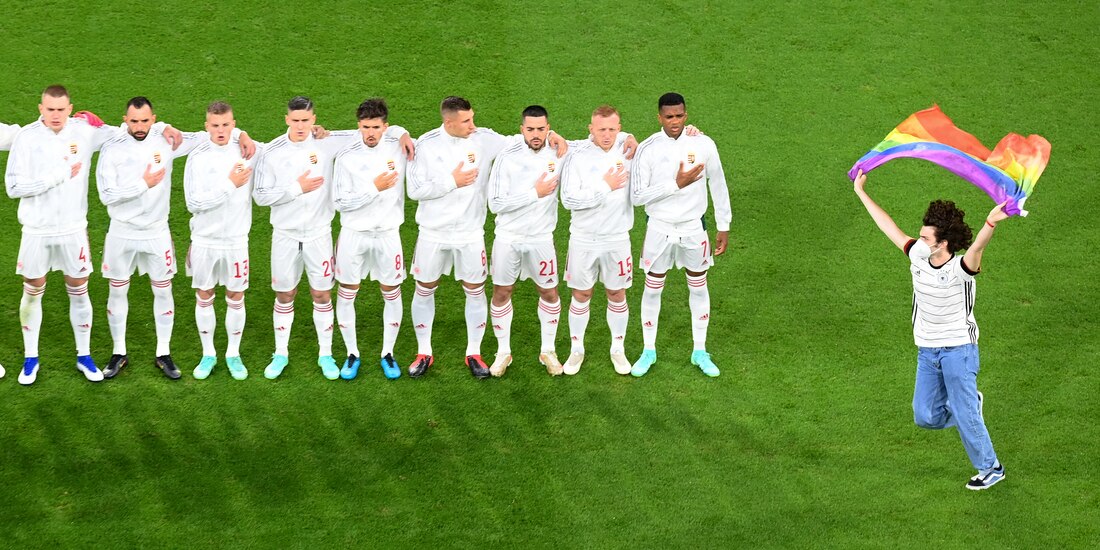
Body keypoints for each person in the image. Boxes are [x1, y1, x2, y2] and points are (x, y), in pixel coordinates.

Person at [4, 85, 181, 385]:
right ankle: (30, 358)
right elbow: (13, 188)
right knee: (32, 290)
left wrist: (162, 126)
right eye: (50, 110)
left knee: (79, 289)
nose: (56, 115)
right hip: (36, 229)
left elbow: (130, 129)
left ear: (71, 108)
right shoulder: (26, 138)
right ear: (40, 108)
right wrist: (56, 177)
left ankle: (84, 357)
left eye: (61, 110)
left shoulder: (86, 131)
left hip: (73, 229)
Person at [853, 169, 1008, 490]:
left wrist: (990, 222)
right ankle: (969, 407)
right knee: (925, 416)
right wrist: (861, 193)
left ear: (944, 243)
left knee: (965, 415)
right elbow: (888, 226)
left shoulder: (961, 268)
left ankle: (991, 467)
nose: (919, 240)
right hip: (927, 350)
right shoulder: (919, 255)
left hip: (959, 351)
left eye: (926, 237)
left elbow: (978, 247)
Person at [406, 96, 567, 379]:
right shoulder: (425, 145)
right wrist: (451, 181)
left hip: (470, 233)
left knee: (475, 289)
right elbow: (415, 190)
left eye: (473, 118)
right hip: (433, 233)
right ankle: (424, 352)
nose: (473, 125)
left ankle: (474, 352)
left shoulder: (483, 139)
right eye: (467, 121)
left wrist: (551, 134)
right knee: (425, 287)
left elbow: (521, 138)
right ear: (449, 122)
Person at [95, 96, 256, 379]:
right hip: (121, 231)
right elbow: (106, 195)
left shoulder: (167, 140)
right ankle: (118, 352)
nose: (140, 126)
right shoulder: (112, 148)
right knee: (117, 290)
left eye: (145, 120)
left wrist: (242, 133)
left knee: (163, 289)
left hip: (157, 231)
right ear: (125, 119)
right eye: (134, 121)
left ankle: (163, 353)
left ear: (154, 118)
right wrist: (142, 184)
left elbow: (211, 134)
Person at [253, 96, 411, 380]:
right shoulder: (273, 150)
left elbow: (387, 131)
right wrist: (295, 188)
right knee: (285, 294)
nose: (301, 126)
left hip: (321, 234)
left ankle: (331, 354)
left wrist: (402, 132)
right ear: (286, 119)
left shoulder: (331, 141)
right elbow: (260, 195)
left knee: (324, 294)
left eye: (306, 120)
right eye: (296, 120)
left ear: (314, 120)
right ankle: (281, 353)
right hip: (286, 235)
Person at [629, 92, 731, 378]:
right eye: (669, 117)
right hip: (659, 228)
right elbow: (637, 197)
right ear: (659, 117)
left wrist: (724, 225)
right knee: (653, 288)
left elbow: (719, 183)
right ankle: (648, 351)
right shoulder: (647, 149)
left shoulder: (704, 143)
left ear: (686, 114)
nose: (675, 122)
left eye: (680, 116)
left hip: (692, 228)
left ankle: (700, 351)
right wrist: (676, 184)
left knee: (698, 286)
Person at [331, 98, 412, 380]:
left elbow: (405, 134)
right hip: (354, 235)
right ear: (358, 126)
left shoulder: (398, 147)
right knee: (347, 291)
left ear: (385, 126)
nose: (370, 133)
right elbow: (339, 201)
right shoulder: (347, 156)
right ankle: (352, 353)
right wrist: (373, 188)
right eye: (365, 127)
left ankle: (387, 353)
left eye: (376, 127)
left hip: (388, 234)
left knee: (391, 290)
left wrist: (402, 133)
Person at [485, 105, 566, 377]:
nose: (535, 134)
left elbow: (597, 140)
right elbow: (495, 203)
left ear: (548, 127)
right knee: (502, 292)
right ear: (521, 129)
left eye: (541, 129)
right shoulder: (506, 157)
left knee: (550, 292)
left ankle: (548, 350)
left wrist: (628, 137)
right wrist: (535, 193)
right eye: (530, 129)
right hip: (508, 238)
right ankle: (503, 352)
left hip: (542, 239)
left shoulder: (559, 151)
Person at [559, 105, 638, 375]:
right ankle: (576, 349)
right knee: (581, 294)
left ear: (620, 128)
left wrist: (690, 131)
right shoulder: (576, 156)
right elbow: (569, 199)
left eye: (613, 129)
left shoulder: (629, 152)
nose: (607, 135)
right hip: (583, 239)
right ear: (590, 129)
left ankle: (618, 349)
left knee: (617, 294)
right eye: (601, 129)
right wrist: (605, 186)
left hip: (617, 239)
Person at [183, 101, 258, 381]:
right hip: (204, 240)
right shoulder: (198, 156)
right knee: (205, 295)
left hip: (237, 241)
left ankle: (233, 354)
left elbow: (283, 144)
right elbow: (193, 203)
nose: (221, 131)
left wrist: (244, 136)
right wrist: (230, 185)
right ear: (206, 127)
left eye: (226, 125)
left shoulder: (248, 150)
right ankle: (208, 354)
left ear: (234, 124)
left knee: (236, 297)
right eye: (215, 126)